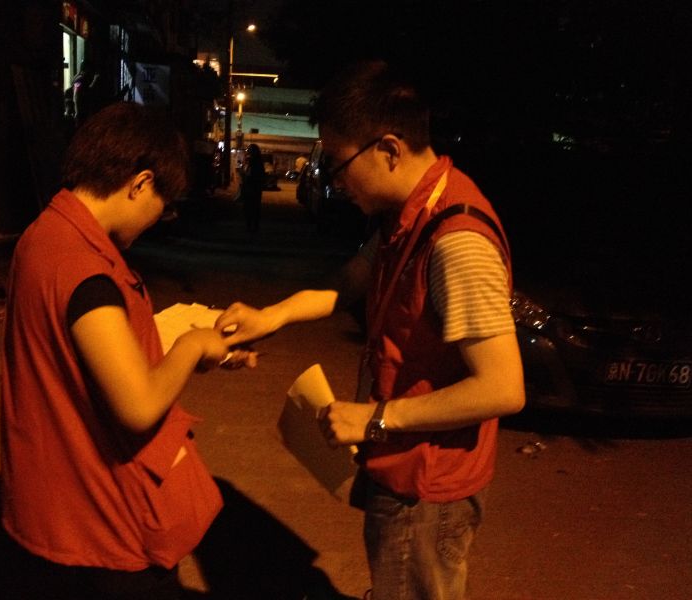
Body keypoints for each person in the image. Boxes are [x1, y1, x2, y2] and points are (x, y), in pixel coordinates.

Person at [215, 60, 525, 600]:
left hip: (425, 489)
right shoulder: (410, 214)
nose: (333, 181)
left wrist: (377, 418)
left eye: (338, 163)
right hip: (400, 470)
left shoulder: (456, 241)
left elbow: (503, 388)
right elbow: (348, 284)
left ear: (389, 149)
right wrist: (270, 317)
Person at [0, 102, 253, 599]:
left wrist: (171, 348)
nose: (159, 218)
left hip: (50, 506)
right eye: (163, 203)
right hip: (103, 528)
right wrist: (192, 344)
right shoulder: (87, 272)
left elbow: (83, 352)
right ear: (139, 183)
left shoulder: (43, 235)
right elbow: (137, 406)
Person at [240, 143, 265, 233]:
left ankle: (251, 225)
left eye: (249, 150)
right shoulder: (257, 161)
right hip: (255, 188)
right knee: (254, 207)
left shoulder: (253, 161)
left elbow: (250, 174)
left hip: (251, 188)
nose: (248, 151)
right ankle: (253, 225)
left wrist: (244, 175)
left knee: (250, 207)